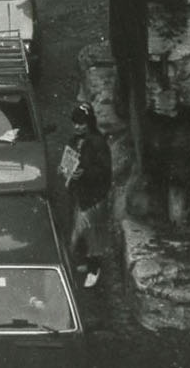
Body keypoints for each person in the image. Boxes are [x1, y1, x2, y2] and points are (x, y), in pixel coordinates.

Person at [60, 101, 112, 288]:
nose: (77, 127)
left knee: (93, 234)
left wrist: (85, 173)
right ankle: (83, 261)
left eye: (81, 123)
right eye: (75, 123)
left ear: (89, 123)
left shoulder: (98, 143)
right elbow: (67, 161)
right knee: (78, 231)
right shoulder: (74, 141)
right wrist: (65, 170)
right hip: (78, 194)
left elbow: (105, 171)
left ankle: (94, 268)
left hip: (93, 196)